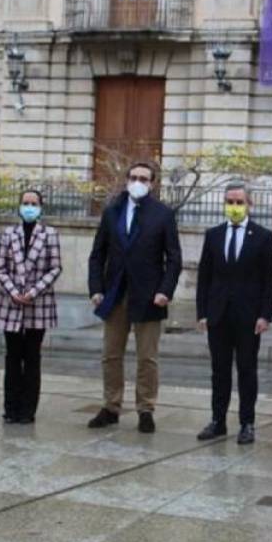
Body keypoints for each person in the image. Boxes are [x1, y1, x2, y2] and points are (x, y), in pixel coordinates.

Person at [87, 161, 182, 434]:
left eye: (144, 178)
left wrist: (165, 290)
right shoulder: (112, 212)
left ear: (152, 183)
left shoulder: (162, 214)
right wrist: (96, 288)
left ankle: (146, 408)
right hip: (115, 292)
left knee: (147, 357)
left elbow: (173, 258)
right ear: (126, 179)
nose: (138, 182)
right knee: (111, 354)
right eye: (134, 176)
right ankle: (111, 406)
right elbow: (98, 254)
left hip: (149, 296)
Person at [195, 183, 272, 445]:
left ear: (249, 204)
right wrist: (202, 313)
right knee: (219, 371)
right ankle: (218, 420)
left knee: (246, 370)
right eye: (230, 201)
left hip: (248, 317)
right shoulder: (214, 235)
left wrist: (265, 315)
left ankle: (247, 423)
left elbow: (269, 280)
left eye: (239, 202)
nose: (234, 207)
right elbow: (204, 277)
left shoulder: (263, 236)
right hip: (218, 315)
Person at [0, 189, 62, 425]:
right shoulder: (7, 233)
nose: (29, 207)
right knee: (12, 357)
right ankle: (10, 408)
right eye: (25, 203)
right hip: (10, 303)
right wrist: (14, 291)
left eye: (33, 203)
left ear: (41, 207)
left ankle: (27, 410)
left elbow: (55, 268)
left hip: (38, 303)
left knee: (32, 357)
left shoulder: (50, 234)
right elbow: (0, 268)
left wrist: (33, 292)